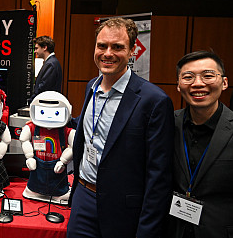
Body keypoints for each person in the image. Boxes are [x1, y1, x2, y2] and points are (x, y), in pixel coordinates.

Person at [66, 17, 174, 238]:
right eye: (102, 46)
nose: (108, 53)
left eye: (117, 47)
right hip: (83, 198)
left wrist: (147, 231)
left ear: (132, 51)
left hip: (123, 209)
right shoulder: (91, 87)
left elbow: (159, 176)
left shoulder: (153, 101)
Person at [163, 51, 233, 238]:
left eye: (207, 75)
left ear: (224, 83)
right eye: (188, 77)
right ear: (178, 85)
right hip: (173, 230)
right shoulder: (167, 124)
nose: (198, 83)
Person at [27, 36, 62, 104]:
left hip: (46, 105)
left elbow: (43, 87)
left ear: (45, 48)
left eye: (37, 48)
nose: (35, 51)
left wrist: (31, 101)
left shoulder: (51, 64)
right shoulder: (51, 62)